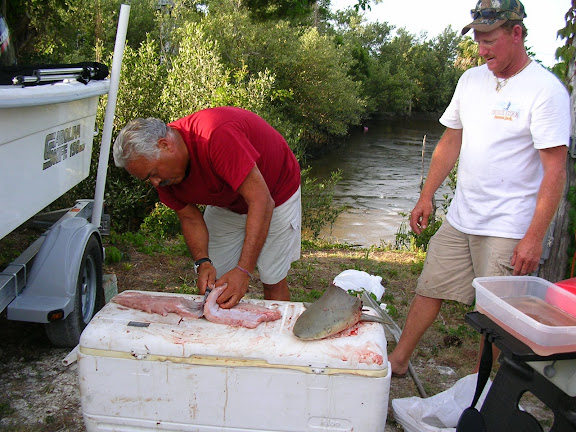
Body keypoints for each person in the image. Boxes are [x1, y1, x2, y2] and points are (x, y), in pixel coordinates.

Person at [388, 0, 571, 377]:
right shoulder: (470, 80)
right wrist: (427, 195)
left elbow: (555, 172)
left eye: (489, 39)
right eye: (478, 40)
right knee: (430, 286)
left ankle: (478, 388)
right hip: (462, 215)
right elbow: (450, 142)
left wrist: (534, 238)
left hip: (508, 226)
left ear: (516, 34)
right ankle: (399, 361)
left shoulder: (545, 91)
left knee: (495, 317)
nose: (482, 49)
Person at [113, 106, 302, 309]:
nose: (156, 183)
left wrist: (244, 271)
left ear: (165, 145)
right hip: (226, 201)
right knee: (214, 281)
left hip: (275, 192)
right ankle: (222, 337)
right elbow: (189, 217)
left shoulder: (215, 134)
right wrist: (202, 262)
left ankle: (277, 336)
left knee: (272, 279)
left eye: (153, 173)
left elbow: (261, 201)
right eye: (148, 178)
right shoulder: (164, 178)